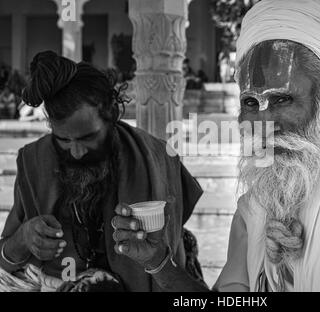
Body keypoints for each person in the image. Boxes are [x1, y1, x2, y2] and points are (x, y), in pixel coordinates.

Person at [121, 0, 320, 292]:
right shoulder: (254, 210)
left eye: (282, 98)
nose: (262, 124)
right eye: (249, 101)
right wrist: (159, 262)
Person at [0, 51, 204, 292]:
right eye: (63, 140)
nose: (76, 152)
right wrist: (23, 239)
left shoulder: (157, 159)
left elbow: (175, 264)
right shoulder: (36, 162)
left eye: (88, 138)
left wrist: (156, 261)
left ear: (112, 115)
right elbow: (5, 263)